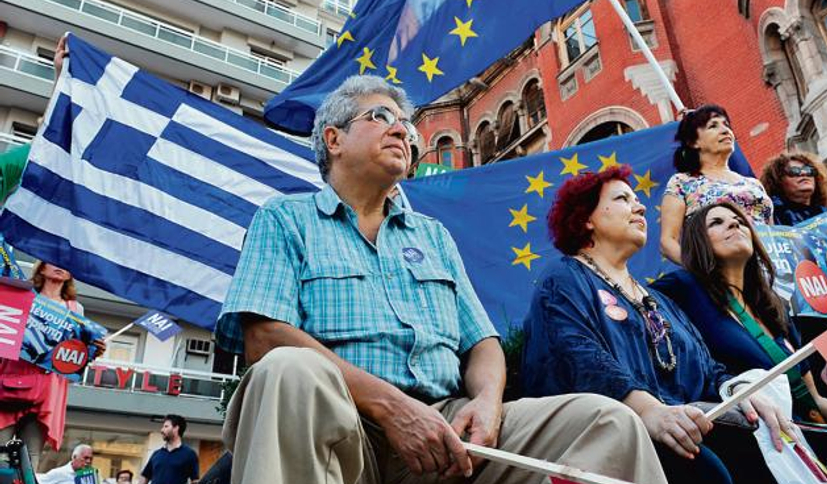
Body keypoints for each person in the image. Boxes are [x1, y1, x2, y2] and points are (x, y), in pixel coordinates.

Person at [214, 76, 667, 484]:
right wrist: (392, 408)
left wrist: (487, 403)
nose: (402, 131)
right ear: (333, 139)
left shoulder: (434, 236)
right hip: (338, 428)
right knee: (287, 370)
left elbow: (483, 343)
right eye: (380, 117)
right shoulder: (286, 219)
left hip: (447, 433)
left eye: (407, 127)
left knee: (609, 422)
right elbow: (266, 340)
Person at [521, 166, 795, 484]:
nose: (639, 207)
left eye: (637, 199)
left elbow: (706, 368)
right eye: (623, 199)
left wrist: (739, 391)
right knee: (707, 468)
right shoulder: (565, 278)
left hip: (685, 424)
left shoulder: (659, 301)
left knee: (765, 441)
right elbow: (577, 355)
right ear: (587, 218)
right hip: (611, 437)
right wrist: (648, 410)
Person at [656, 202, 827, 424]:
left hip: (805, 434)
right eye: (717, 223)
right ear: (698, 242)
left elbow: (816, 402)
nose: (734, 223)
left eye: (740, 222)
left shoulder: (776, 308)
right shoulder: (683, 287)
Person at [0, 262, 103, 461]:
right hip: (11, 383)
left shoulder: (76, 309)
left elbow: (75, 356)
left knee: (29, 459)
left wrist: (93, 351)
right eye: (53, 261)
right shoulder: (22, 297)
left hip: (48, 390)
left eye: (66, 263)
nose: (60, 266)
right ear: (41, 268)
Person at [660, 105, 773, 264]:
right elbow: (668, 241)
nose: (725, 130)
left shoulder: (754, 184)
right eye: (713, 126)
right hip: (725, 274)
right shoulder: (682, 182)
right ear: (694, 142)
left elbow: (773, 233)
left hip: (772, 272)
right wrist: (703, 274)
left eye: (726, 125)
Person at [760, 152, 827, 226]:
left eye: (808, 170)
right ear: (778, 180)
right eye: (794, 171)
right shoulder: (769, 216)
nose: (803, 173)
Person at [139, 415, 199, 484]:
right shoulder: (157, 454)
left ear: (176, 428)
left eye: (166, 426)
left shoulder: (189, 454)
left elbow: (195, 480)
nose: (162, 430)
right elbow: (145, 476)